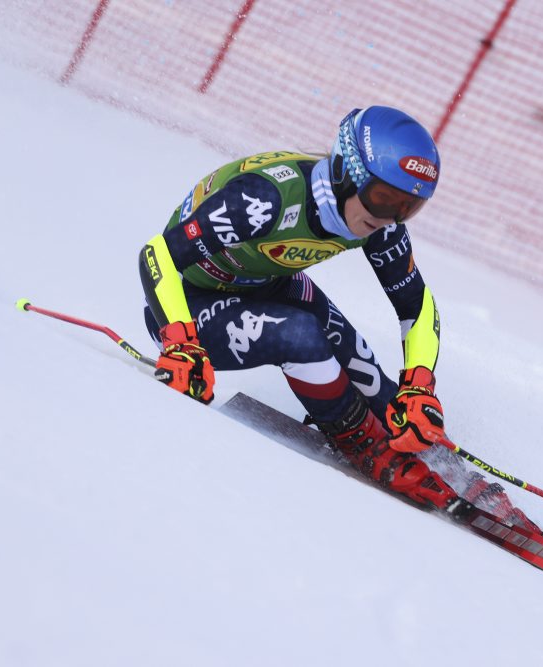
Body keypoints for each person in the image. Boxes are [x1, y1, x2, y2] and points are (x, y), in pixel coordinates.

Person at [138, 106, 475, 516]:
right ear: (346, 172)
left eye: (409, 206)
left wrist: (419, 386)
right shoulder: (264, 200)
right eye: (384, 197)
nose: (391, 217)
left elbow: (417, 306)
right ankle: (363, 445)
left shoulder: (376, 220)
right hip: (186, 304)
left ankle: (444, 466)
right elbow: (158, 254)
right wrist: (180, 341)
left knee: (367, 370)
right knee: (300, 335)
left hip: (266, 284)